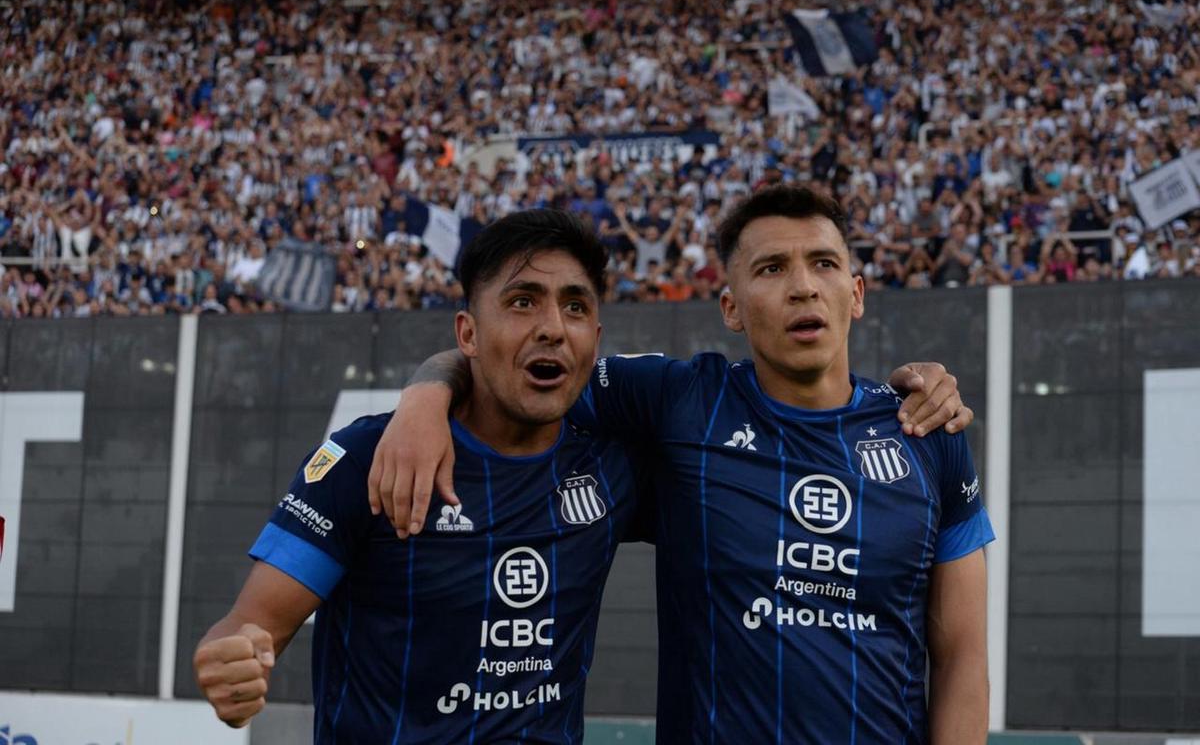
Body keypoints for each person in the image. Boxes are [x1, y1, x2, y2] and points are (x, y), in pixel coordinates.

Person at [369, 185, 988, 743]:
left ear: (855, 294)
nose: (803, 286)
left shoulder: (927, 432)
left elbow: (962, 654)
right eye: (772, 268)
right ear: (731, 307)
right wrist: (426, 397)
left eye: (823, 263)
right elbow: (511, 368)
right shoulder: (682, 401)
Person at [193, 210, 650, 742]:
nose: (552, 327)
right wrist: (230, 664)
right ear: (468, 333)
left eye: (574, 306)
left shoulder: (612, 465)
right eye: (522, 301)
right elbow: (250, 626)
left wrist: (427, 388)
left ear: (594, 338)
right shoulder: (370, 457)